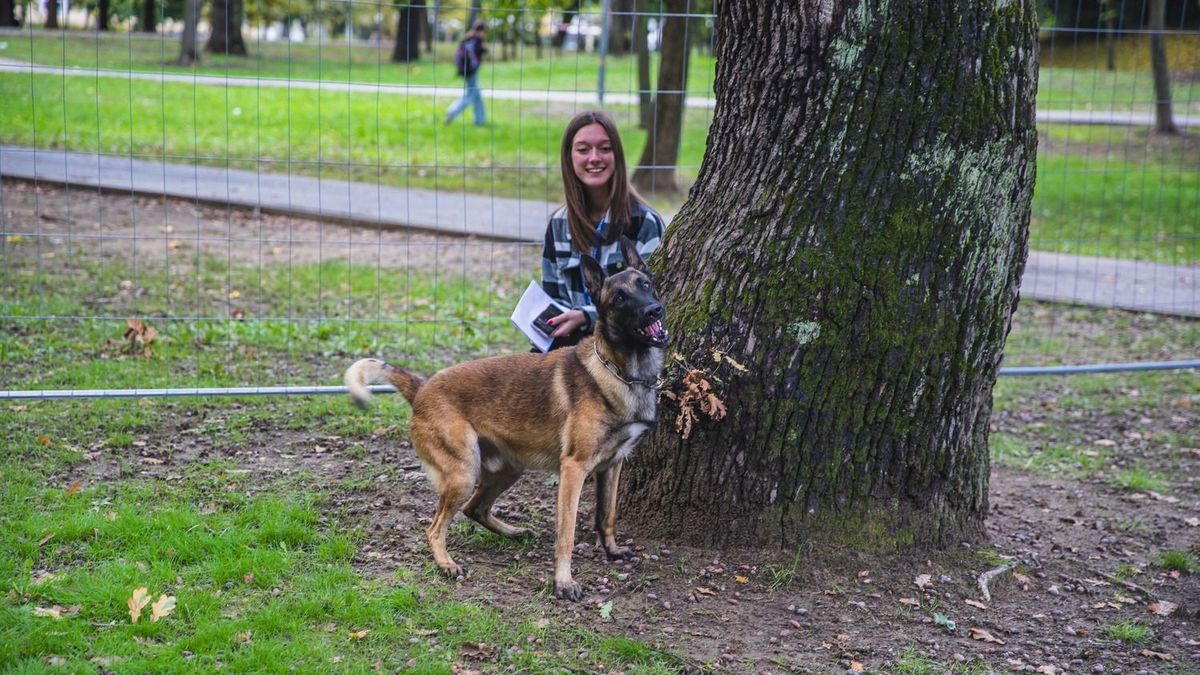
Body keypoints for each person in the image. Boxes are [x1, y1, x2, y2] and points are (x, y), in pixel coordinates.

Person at [540, 111, 665, 349]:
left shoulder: (644, 223)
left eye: (605, 149)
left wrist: (586, 317)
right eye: (583, 149)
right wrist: (546, 323)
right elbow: (552, 298)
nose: (594, 158)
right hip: (572, 353)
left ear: (617, 155)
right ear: (569, 157)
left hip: (629, 350)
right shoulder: (557, 225)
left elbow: (654, 303)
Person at [444, 22, 488, 127]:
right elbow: (483, 51)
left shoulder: (466, 39)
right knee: (470, 95)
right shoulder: (477, 40)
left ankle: (480, 120)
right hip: (471, 71)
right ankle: (452, 111)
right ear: (482, 31)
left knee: (476, 95)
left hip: (464, 70)